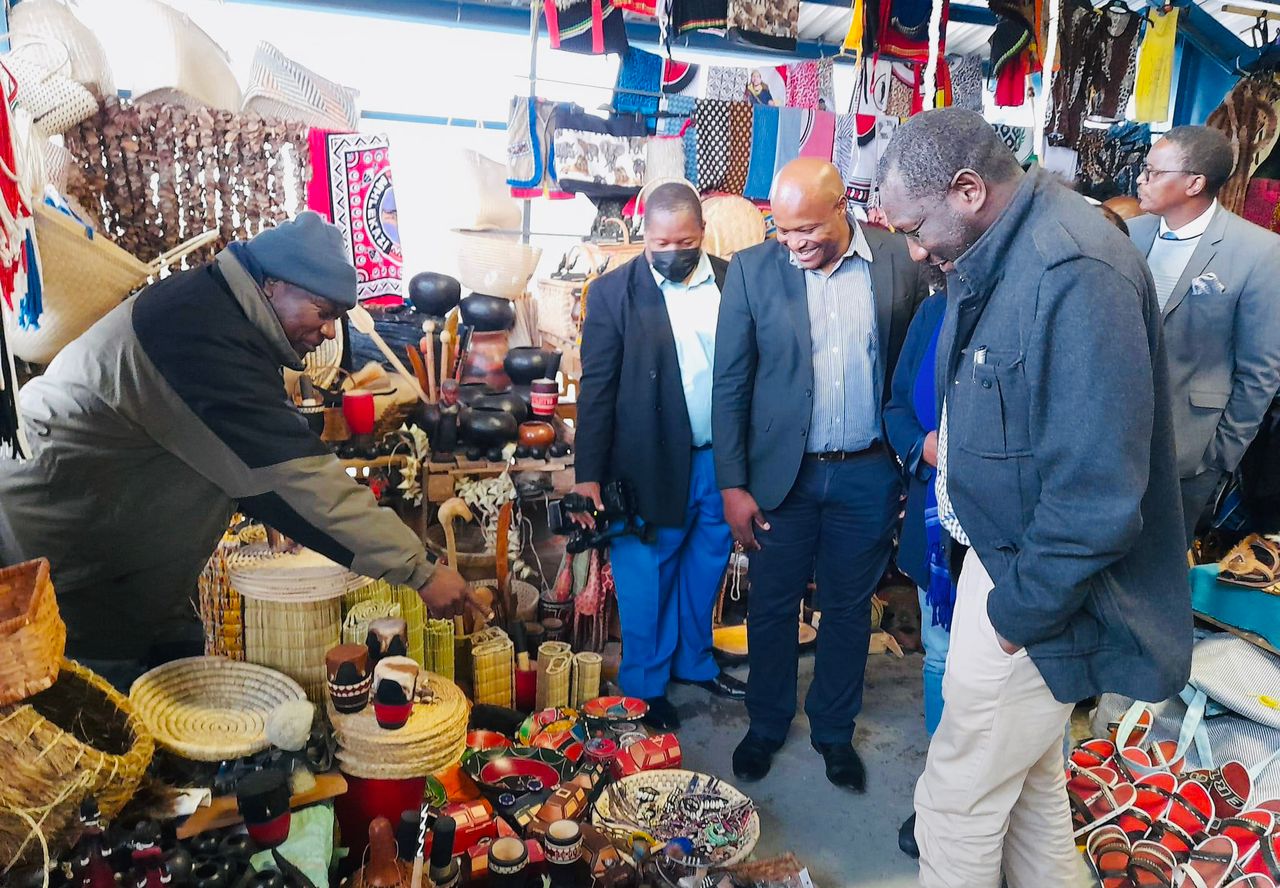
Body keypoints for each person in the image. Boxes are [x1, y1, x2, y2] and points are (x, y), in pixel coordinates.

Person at [876, 108, 1191, 888]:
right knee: (1032, 795)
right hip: (1004, 564)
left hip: (1032, 590)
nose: (914, 251)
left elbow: (1099, 493)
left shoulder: (1074, 269)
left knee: (955, 803)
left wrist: (1018, 619)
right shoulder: (1003, 253)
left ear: (969, 189)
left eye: (917, 228)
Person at [0, 212, 475, 687]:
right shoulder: (198, 331)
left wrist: (257, 494)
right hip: (61, 542)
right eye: (323, 312)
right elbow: (300, 478)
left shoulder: (223, 312)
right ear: (271, 286)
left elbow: (215, 441)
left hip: (114, 551)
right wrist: (421, 571)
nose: (330, 332)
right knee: (84, 710)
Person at [712, 157, 929, 789]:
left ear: (843, 208)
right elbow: (731, 385)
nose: (794, 244)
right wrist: (734, 484)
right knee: (772, 607)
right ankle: (767, 723)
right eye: (782, 231)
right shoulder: (754, 271)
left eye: (806, 229)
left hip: (867, 473)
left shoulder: (895, 261)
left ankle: (834, 731)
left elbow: (914, 369)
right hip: (783, 478)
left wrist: (905, 466)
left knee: (848, 607)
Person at [572, 182, 746, 732]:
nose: (673, 252)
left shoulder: (733, 280)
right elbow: (596, 389)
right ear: (644, 235)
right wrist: (587, 477)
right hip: (646, 464)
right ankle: (646, 683)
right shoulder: (611, 295)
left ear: (702, 235)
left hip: (718, 459)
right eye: (661, 242)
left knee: (705, 565)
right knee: (647, 572)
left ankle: (694, 662)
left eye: (685, 241)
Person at [1129, 126, 1280, 545]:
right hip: (1114, 441)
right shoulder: (1131, 235)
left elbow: (1261, 370)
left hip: (1189, 452)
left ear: (1194, 183)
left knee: (1159, 569)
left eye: (1152, 171)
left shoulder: (1258, 252)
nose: (1140, 178)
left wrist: (1220, 457)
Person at [882, 280, 951, 858]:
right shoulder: (932, 310)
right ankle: (942, 789)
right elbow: (897, 406)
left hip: (1008, 531)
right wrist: (923, 446)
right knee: (941, 651)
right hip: (936, 521)